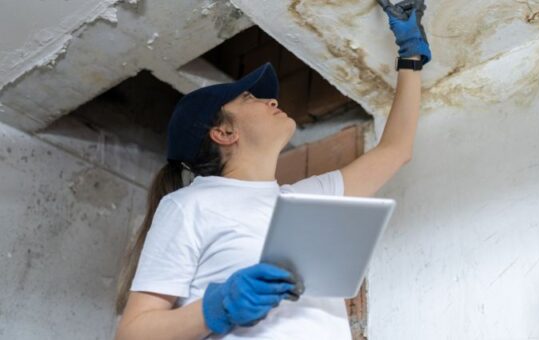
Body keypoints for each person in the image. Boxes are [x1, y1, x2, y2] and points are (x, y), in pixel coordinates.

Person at [114, 1, 431, 339]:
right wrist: (216, 308)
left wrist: (409, 54)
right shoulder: (188, 205)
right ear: (224, 133)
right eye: (250, 98)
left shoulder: (304, 202)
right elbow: (133, 333)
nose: (273, 101)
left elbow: (395, 150)